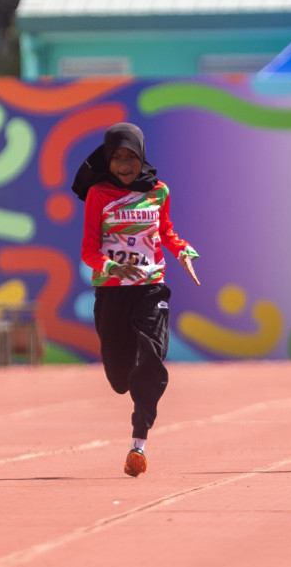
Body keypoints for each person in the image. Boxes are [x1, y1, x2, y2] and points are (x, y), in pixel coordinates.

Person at [72, 122, 199, 478]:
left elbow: (166, 231)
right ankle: (129, 389)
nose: (124, 165)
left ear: (142, 157)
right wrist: (112, 267)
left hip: (150, 287)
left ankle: (138, 443)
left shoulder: (158, 191)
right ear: (108, 160)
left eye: (130, 157)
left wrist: (183, 251)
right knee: (118, 378)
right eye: (117, 158)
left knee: (151, 355)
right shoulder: (98, 194)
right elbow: (88, 250)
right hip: (112, 292)